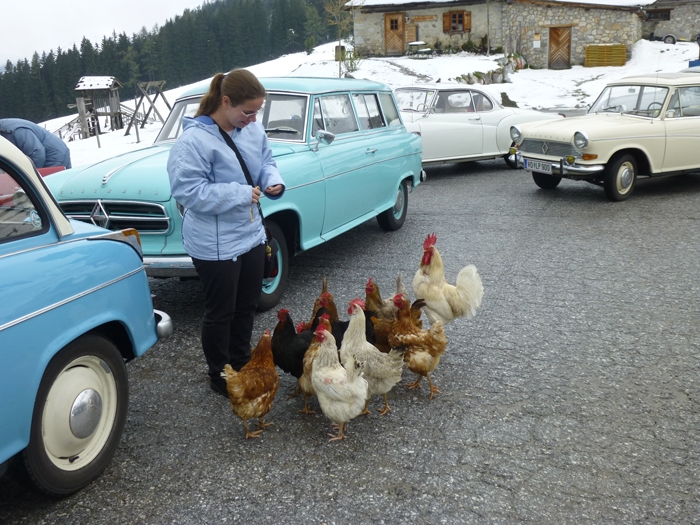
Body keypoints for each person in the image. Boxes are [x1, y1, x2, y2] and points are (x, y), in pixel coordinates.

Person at [167, 69, 285, 397]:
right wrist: (241, 194)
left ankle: (241, 360)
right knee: (221, 311)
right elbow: (188, 192)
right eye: (247, 112)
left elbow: (266, 161)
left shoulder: (252, 129)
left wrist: (273, 180)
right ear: (226, 101)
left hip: (250, 233)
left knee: (247, 304)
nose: (253, 119)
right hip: (214, 243)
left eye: (257, 112)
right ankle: (220, 374)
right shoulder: (193, 142)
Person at [0, 118, 72, 169]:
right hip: (49, 155)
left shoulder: (15, 131)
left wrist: (31, 175)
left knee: (47, 184)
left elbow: (37, 153)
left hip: (54, 155)